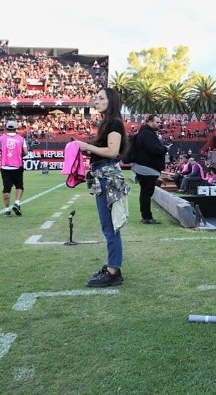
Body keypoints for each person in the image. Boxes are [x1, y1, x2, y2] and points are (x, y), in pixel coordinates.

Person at [74, 88, 130, 287]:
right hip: (103, 176)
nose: (95, 101)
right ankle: (113, 268)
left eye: (100, 98)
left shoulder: (114, 122)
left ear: (111, 101)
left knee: (110, 227)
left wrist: (86, 146)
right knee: (109, 226)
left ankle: (113, 270)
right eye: (96, 97)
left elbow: (112, 151)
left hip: (107, 177)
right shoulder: (107, 122)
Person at [130, 114, 167, 224]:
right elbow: (154, 149)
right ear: (149, 122)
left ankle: (146, 216)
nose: (159, 124)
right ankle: (147, 217)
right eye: (157, 122)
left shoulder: (144, 133)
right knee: (146, 193)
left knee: (145, 193)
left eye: (160, 122)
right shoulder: (147, 134)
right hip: (147, 168)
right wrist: (164, 149)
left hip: (144, 167)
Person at [0, 120, 29, 216]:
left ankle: (7, 210)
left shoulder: (1, 139)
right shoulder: (21, 139)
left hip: (5, 167)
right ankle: (17, 203)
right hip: (17, 166)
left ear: (6, 128)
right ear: (16, 129)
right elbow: (26, 152)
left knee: (6, 188)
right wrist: (18, 155)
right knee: (19, 186)